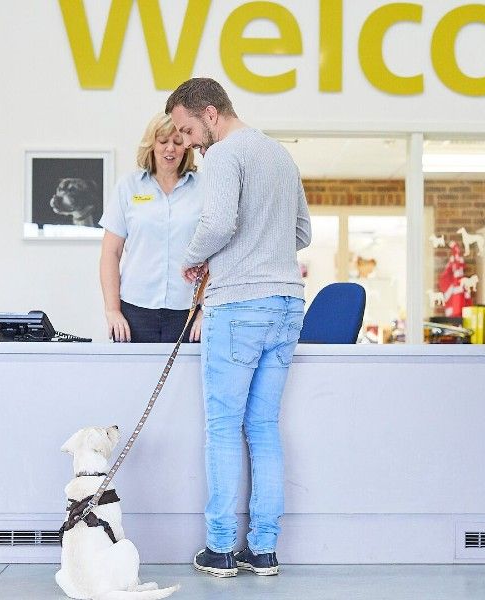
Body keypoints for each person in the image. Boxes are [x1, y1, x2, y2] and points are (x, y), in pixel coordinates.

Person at [165, 78, 311, 577]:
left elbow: (220, 223)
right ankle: (264, 550)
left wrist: (192, 259)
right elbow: (302, 233)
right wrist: (261, 245)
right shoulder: (280, 156)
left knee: (225, 428)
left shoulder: (224, 155)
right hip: (288, 304)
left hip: (239, 307)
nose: (186, 142)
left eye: (187, 130)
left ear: (210, 114)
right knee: (264, 428)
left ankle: (222, 548)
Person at [99, 113, 203, 343]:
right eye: (163, 141)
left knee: (184, 380)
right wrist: (112, 310)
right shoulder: (128, 187)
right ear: (151, 144)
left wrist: (207, 310)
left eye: (177, 142)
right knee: (134, 379)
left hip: (188, 310)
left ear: (186, 147)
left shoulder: (203, 189)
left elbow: (219, 255)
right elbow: (110, 253)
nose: (170, 149)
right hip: (135, 310)